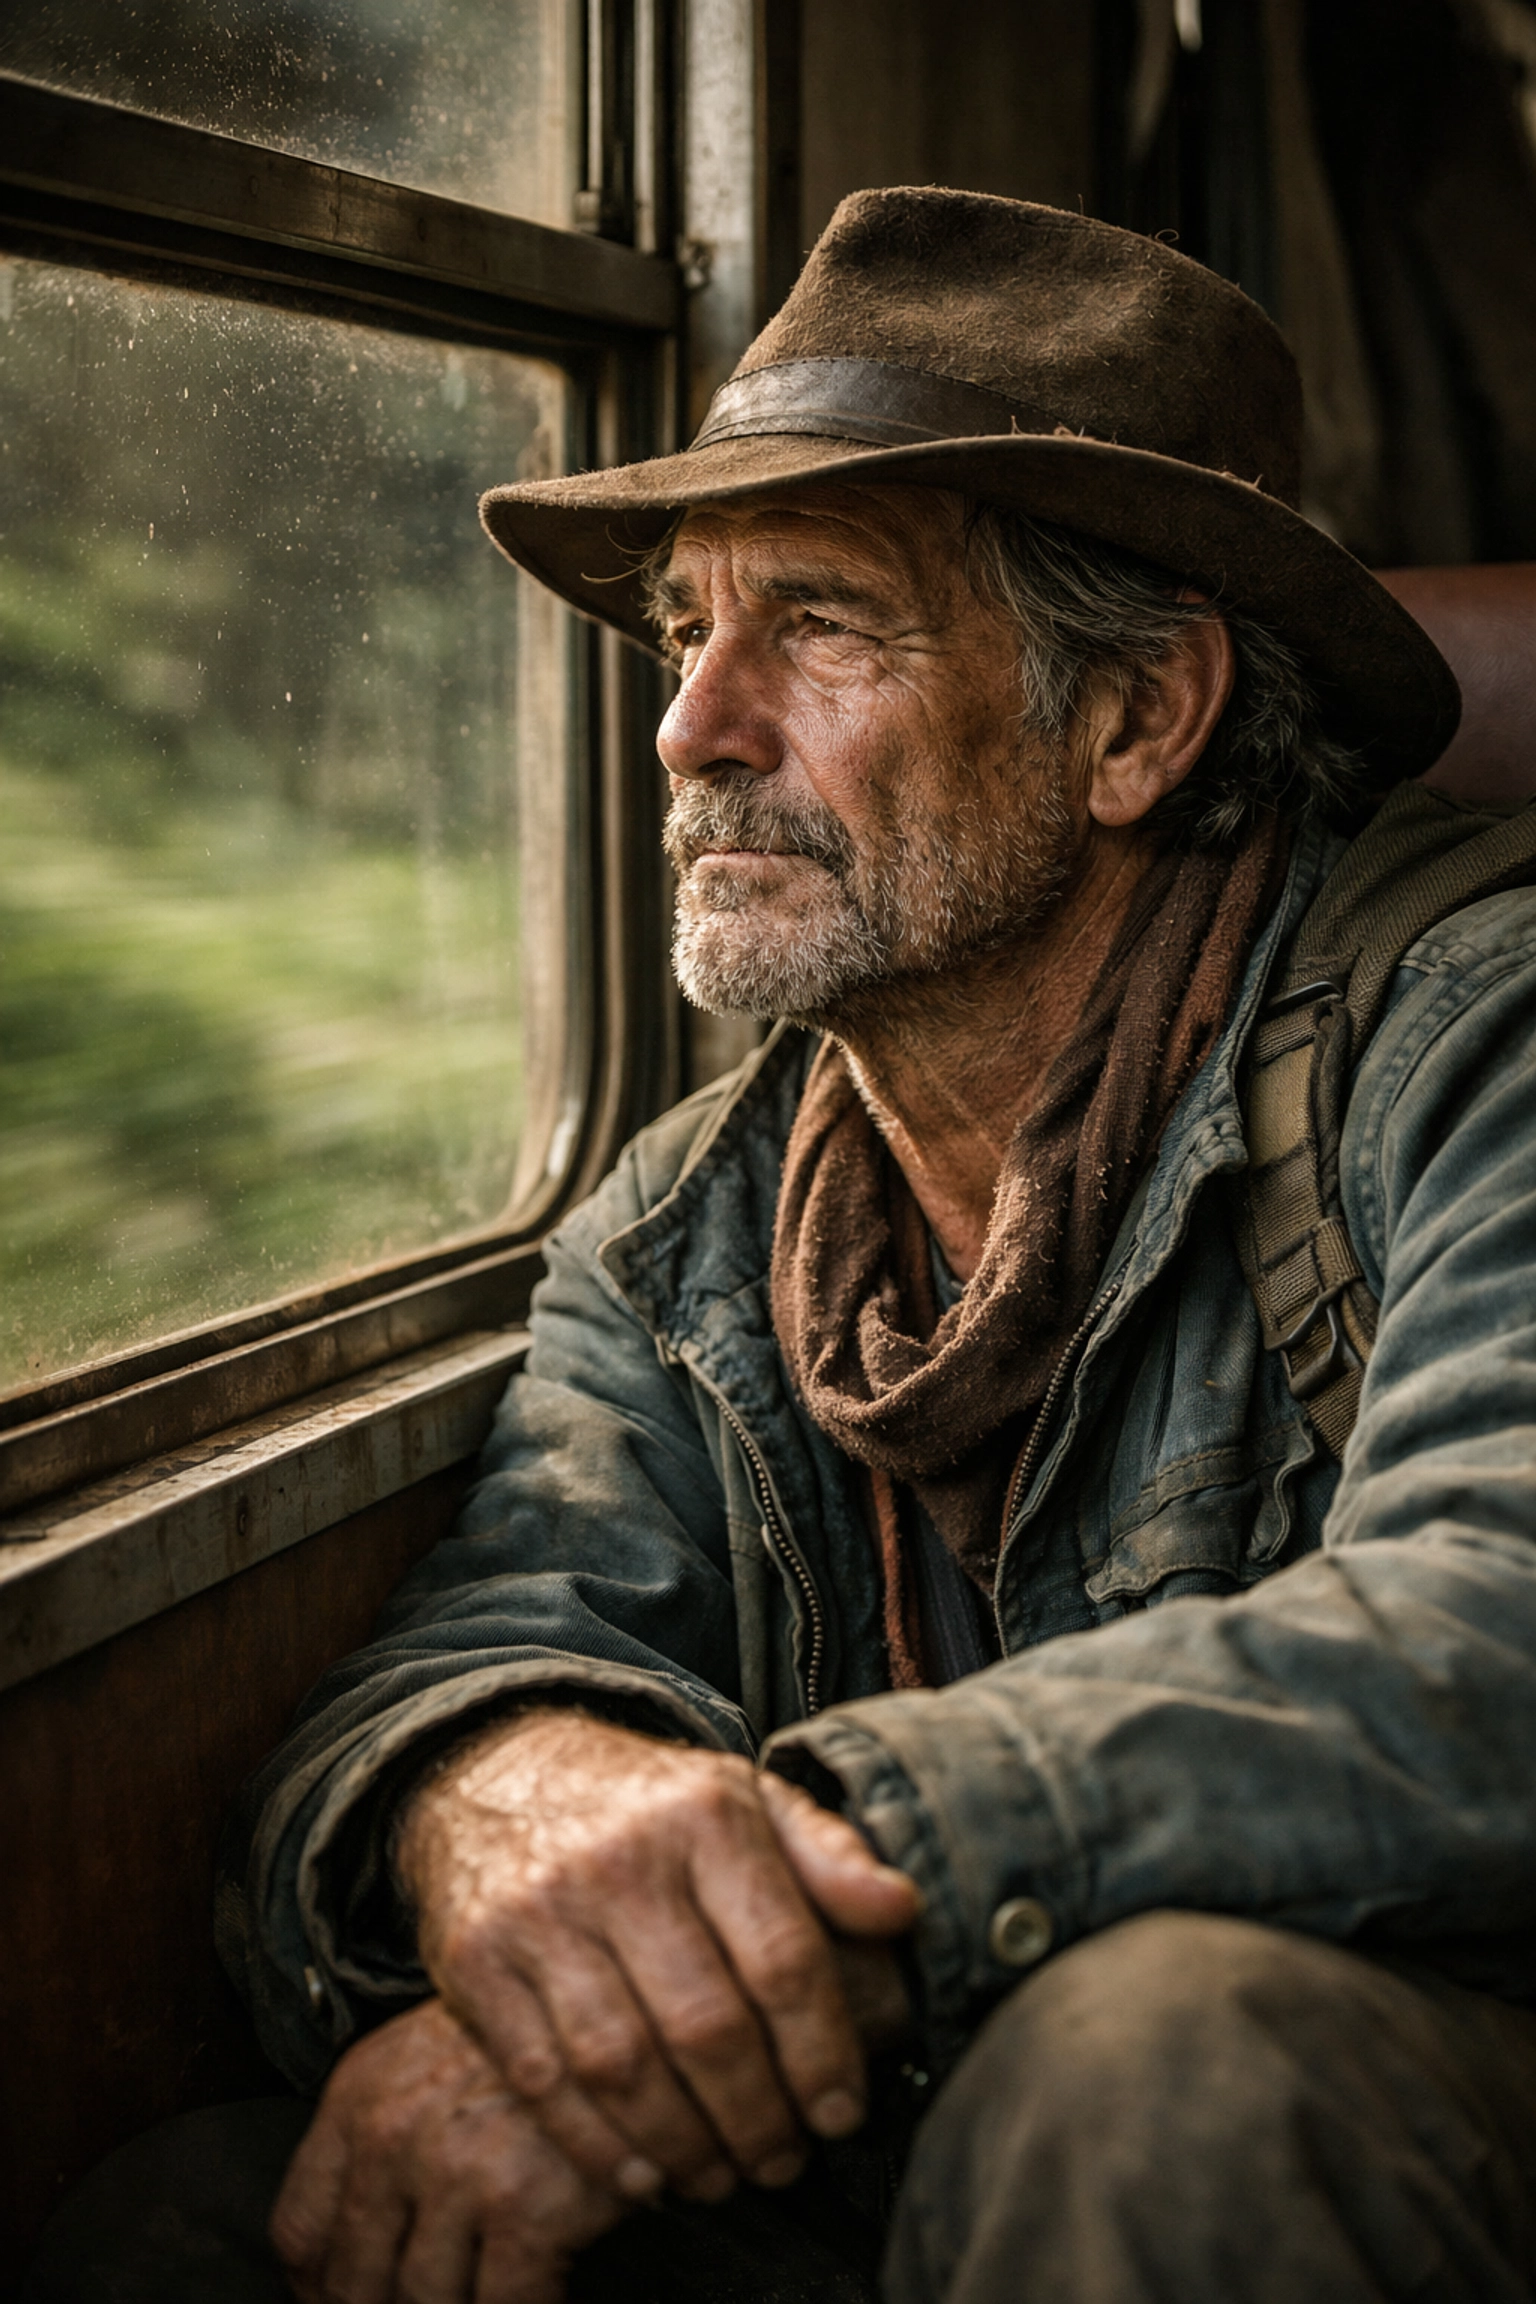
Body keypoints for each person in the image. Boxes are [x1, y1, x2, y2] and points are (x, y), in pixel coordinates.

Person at [27, 189, 1536, 2304]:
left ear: (1136, 720)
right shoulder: (685, 1223)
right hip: (904, 2111)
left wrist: (840, 1870)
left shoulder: (1478, 1037)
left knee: (1155, 2068)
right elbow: (508, 1622)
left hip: (1402, 2080)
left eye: (819, 624)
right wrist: (497, 1797)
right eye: (684, 633)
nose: (692, 728)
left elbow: (1497, 1624)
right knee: (205, 2224)